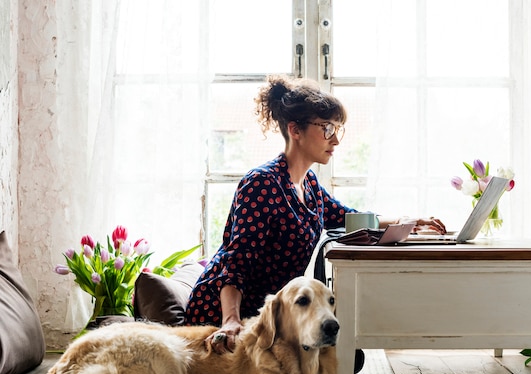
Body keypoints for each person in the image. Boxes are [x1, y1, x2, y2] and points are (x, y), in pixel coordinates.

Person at [184, 74, 446, 354]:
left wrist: (409, 221)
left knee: (344, 354)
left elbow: (349, 217)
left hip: (272, 315)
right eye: (327, 128)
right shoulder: (261, 184)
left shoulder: (309, 185)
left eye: (337, 129)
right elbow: (235, 262)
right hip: (221, 313)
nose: (335, 139)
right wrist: (231, 321)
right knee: (337, 357)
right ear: (295, 130)